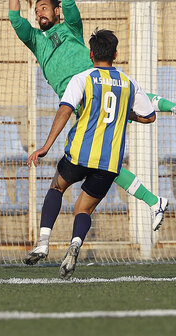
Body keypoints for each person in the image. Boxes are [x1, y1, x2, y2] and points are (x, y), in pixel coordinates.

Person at [8, 0, 176, 242]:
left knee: (104, 154)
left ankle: (155, 194)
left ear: (56, 13)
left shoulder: (71, 27)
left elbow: (68, 0)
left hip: (92, 87)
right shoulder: (36, 41)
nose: (39, 12)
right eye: (37, 10)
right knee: (106, 158)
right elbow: (14, 19)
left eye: (45, 8)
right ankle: (155, 198)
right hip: (86, 102)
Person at [28, 28, 156, 279]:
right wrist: (126, 114)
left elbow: (65, 110)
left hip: (80, 154)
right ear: (116, 54)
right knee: (83, 209)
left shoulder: (83, 78)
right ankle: (75, 244)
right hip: (109, 162)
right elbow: (150, 116)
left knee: (56, 188)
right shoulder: (129, 83)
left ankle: (43, 242)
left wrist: (46, 146)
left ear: (90, 54)